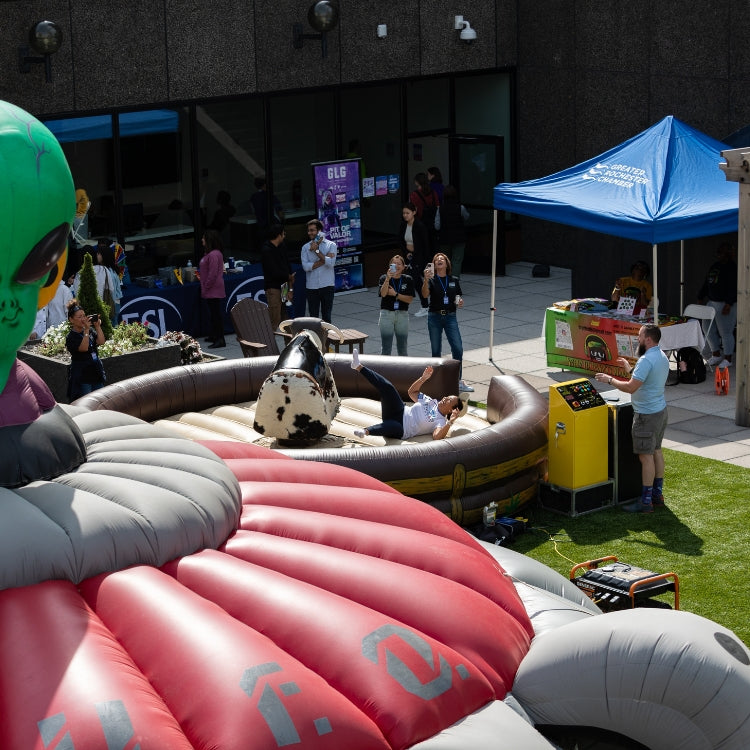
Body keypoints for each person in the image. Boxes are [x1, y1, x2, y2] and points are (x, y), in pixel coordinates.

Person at [595, 323, 669, 513]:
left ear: (648, 339)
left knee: (646, 457)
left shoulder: (646, 360)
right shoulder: (662, 356)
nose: (637, 339)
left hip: (646, 415)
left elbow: (630, 387)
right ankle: (656, 495)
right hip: (660, 411)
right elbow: (645, 380)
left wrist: (609, 380)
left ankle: (645, 502)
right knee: (657, 451)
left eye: (640, 336)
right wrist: (629, 368)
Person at [350, 352, 467, 440]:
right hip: (399, 410)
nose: (445, 398)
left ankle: (365, 431)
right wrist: (423, 378)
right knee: (388, 388)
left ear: (451, 410)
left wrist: (450, 422)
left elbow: (437, 437)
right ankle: (358, 366)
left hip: (402, 428)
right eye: (447, 397)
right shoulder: (431, 402)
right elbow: (412, 392)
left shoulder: (440, 421)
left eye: (448, 401)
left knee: (392, 426)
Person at [422, 252, 473, 393]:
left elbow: (457, 296)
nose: (439, 260)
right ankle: (436, 381)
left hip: (450, 316)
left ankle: (458, 380)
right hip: (434, 317)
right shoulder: (431, 280)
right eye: (436, 259)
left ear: (446, 263)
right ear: (434, 264)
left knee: (458, 348)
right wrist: (425, 280)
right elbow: (425, 295)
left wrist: (460, 302)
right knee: (436, 350)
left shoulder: (453, 280)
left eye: (442, 259)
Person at [698, 242, 737, 368]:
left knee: (725, 332)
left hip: (725, 304)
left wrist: (729, 303)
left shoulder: (732, 267)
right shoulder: (715, 266)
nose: (719, 254)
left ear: (729, 253)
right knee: (706, 328)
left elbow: (734, 287)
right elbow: (707, 282)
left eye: (722, 251)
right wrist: (700, 296)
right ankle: (716, 354)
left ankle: (728, 358)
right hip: (711, 302)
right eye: (718, 251)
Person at [65, 299, 106, 401]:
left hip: (96, 372)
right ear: (71, 319)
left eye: (84, 315)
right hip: (82, 377)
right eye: (79, 317)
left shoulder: (90, 331)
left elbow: (101, 341)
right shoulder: (71, 337)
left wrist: (97, 327)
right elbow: (83, 348)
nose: (83, 319)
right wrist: (86, 330)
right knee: (86, 403)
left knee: (100, 401)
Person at [378, 255, 415, 356]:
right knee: (386, 348)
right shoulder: (384, 278)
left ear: (403, 267)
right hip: (386, 314)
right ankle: (384, 371)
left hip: (402, 314)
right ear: (390, 266)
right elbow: (383, 294)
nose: (397, 266)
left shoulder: (408, 279)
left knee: (402, 347)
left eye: (399, 264)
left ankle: (404, 371)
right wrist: (387, 279)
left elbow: (410, 299)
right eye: (394, 264)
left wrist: (396, 294)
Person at [301, 219, 337, 323]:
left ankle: (327, 338)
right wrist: (325, 259)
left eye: (312, 230)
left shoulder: (331, 245)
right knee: (313, 318)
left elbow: (331, 263)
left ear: (319, 231)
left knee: (327, 317)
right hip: (312, 287)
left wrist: (317, 251)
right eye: (308, 230)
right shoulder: (305, 247)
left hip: (327, 285)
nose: (309, 233)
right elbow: (306, 267)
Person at [399, 202, 431, 317]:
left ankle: (425, 306)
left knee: (415, 281)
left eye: (407, 213)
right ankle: (425, 305)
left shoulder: (419, 226)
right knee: (415, 282)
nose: (405, 215)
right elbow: (401, 241)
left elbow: (425, 245)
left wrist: (427, 262)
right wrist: (407, 253)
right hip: (409, 257)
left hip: (419, 258)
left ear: (414, 212)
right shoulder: (403, 226)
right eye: (404, 213)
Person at [260, 224, 294, 331]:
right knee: (274, 318)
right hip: (273, 288)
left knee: (285, 317)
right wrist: (288, 276)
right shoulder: (266, 250)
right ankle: (268, 345)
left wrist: (290, 288)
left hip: (284, 286)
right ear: (279, 235)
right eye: (283, 233)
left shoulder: (282, 246)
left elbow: (287, 266)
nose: (284, 236)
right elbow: (273, 271)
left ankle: (289, 344)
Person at [200, 229, 227, 348]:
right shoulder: (210, 254)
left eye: (204, 238)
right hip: (210, 289)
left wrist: (206, 287)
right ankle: (214, 335)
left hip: (213, 289)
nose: (202, 240)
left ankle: (220, 339)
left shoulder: (214, 254)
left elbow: (212, 274)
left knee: (216, 315)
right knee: (212, 314)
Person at [435, 185, 469, 278]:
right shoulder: (460, 208)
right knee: (457, 261)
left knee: (445, 260)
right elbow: (466, 217)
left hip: (445, 238)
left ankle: (445, 280)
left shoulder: (440, 209)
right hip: (459, 237)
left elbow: (437, 226)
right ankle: (454, 282)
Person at [409, 172, 439, 252]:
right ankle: (431, 264)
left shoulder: (414, 195)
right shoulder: (433, 193)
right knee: (432, 250)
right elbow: (438, 208)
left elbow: (412, 211)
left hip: (419, 226)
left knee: (421, 251)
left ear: (417, 182)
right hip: (432, 226)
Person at [95, 243, 123, 326]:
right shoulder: (110, 269)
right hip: (114, 303)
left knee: (112, 327)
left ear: (104, 255)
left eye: (99, 253)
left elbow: (112, 291)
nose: (97, 255)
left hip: (112, 303)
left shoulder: (108, 271)